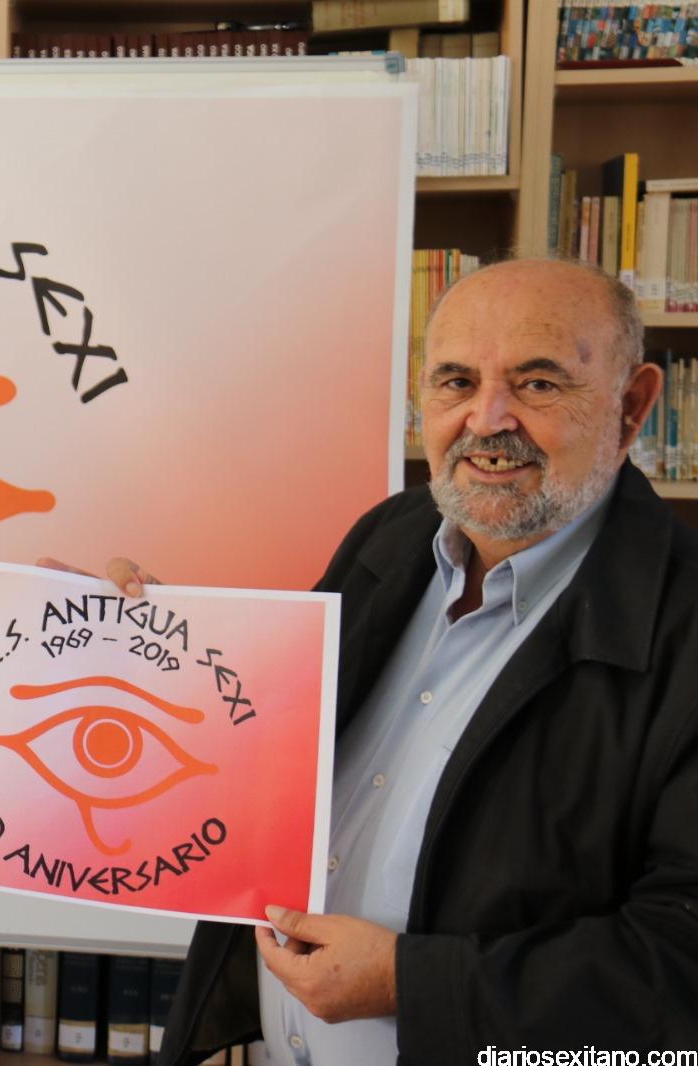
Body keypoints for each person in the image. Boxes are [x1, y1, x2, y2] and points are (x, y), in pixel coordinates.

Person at [57, 258, 698, 1064]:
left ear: (632, 406)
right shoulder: (391, 537)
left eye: (538, 384)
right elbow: (269, 753)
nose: (486, 419)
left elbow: (679, 961)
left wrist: (409, 983)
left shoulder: (682, 631)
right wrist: (128, 662)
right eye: (456, 382)